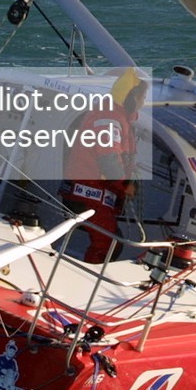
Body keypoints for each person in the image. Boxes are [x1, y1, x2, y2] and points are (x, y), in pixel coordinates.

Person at [59, 68, 146, 263]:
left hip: (91, 191)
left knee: (112, 240)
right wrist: (125, 186)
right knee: (108, 243)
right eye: (141, 97)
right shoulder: (109, 119)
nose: (143, 102)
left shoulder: (114, 115)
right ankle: (89, 279)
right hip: (86, 192)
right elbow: (108, 160)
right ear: (131, 97)